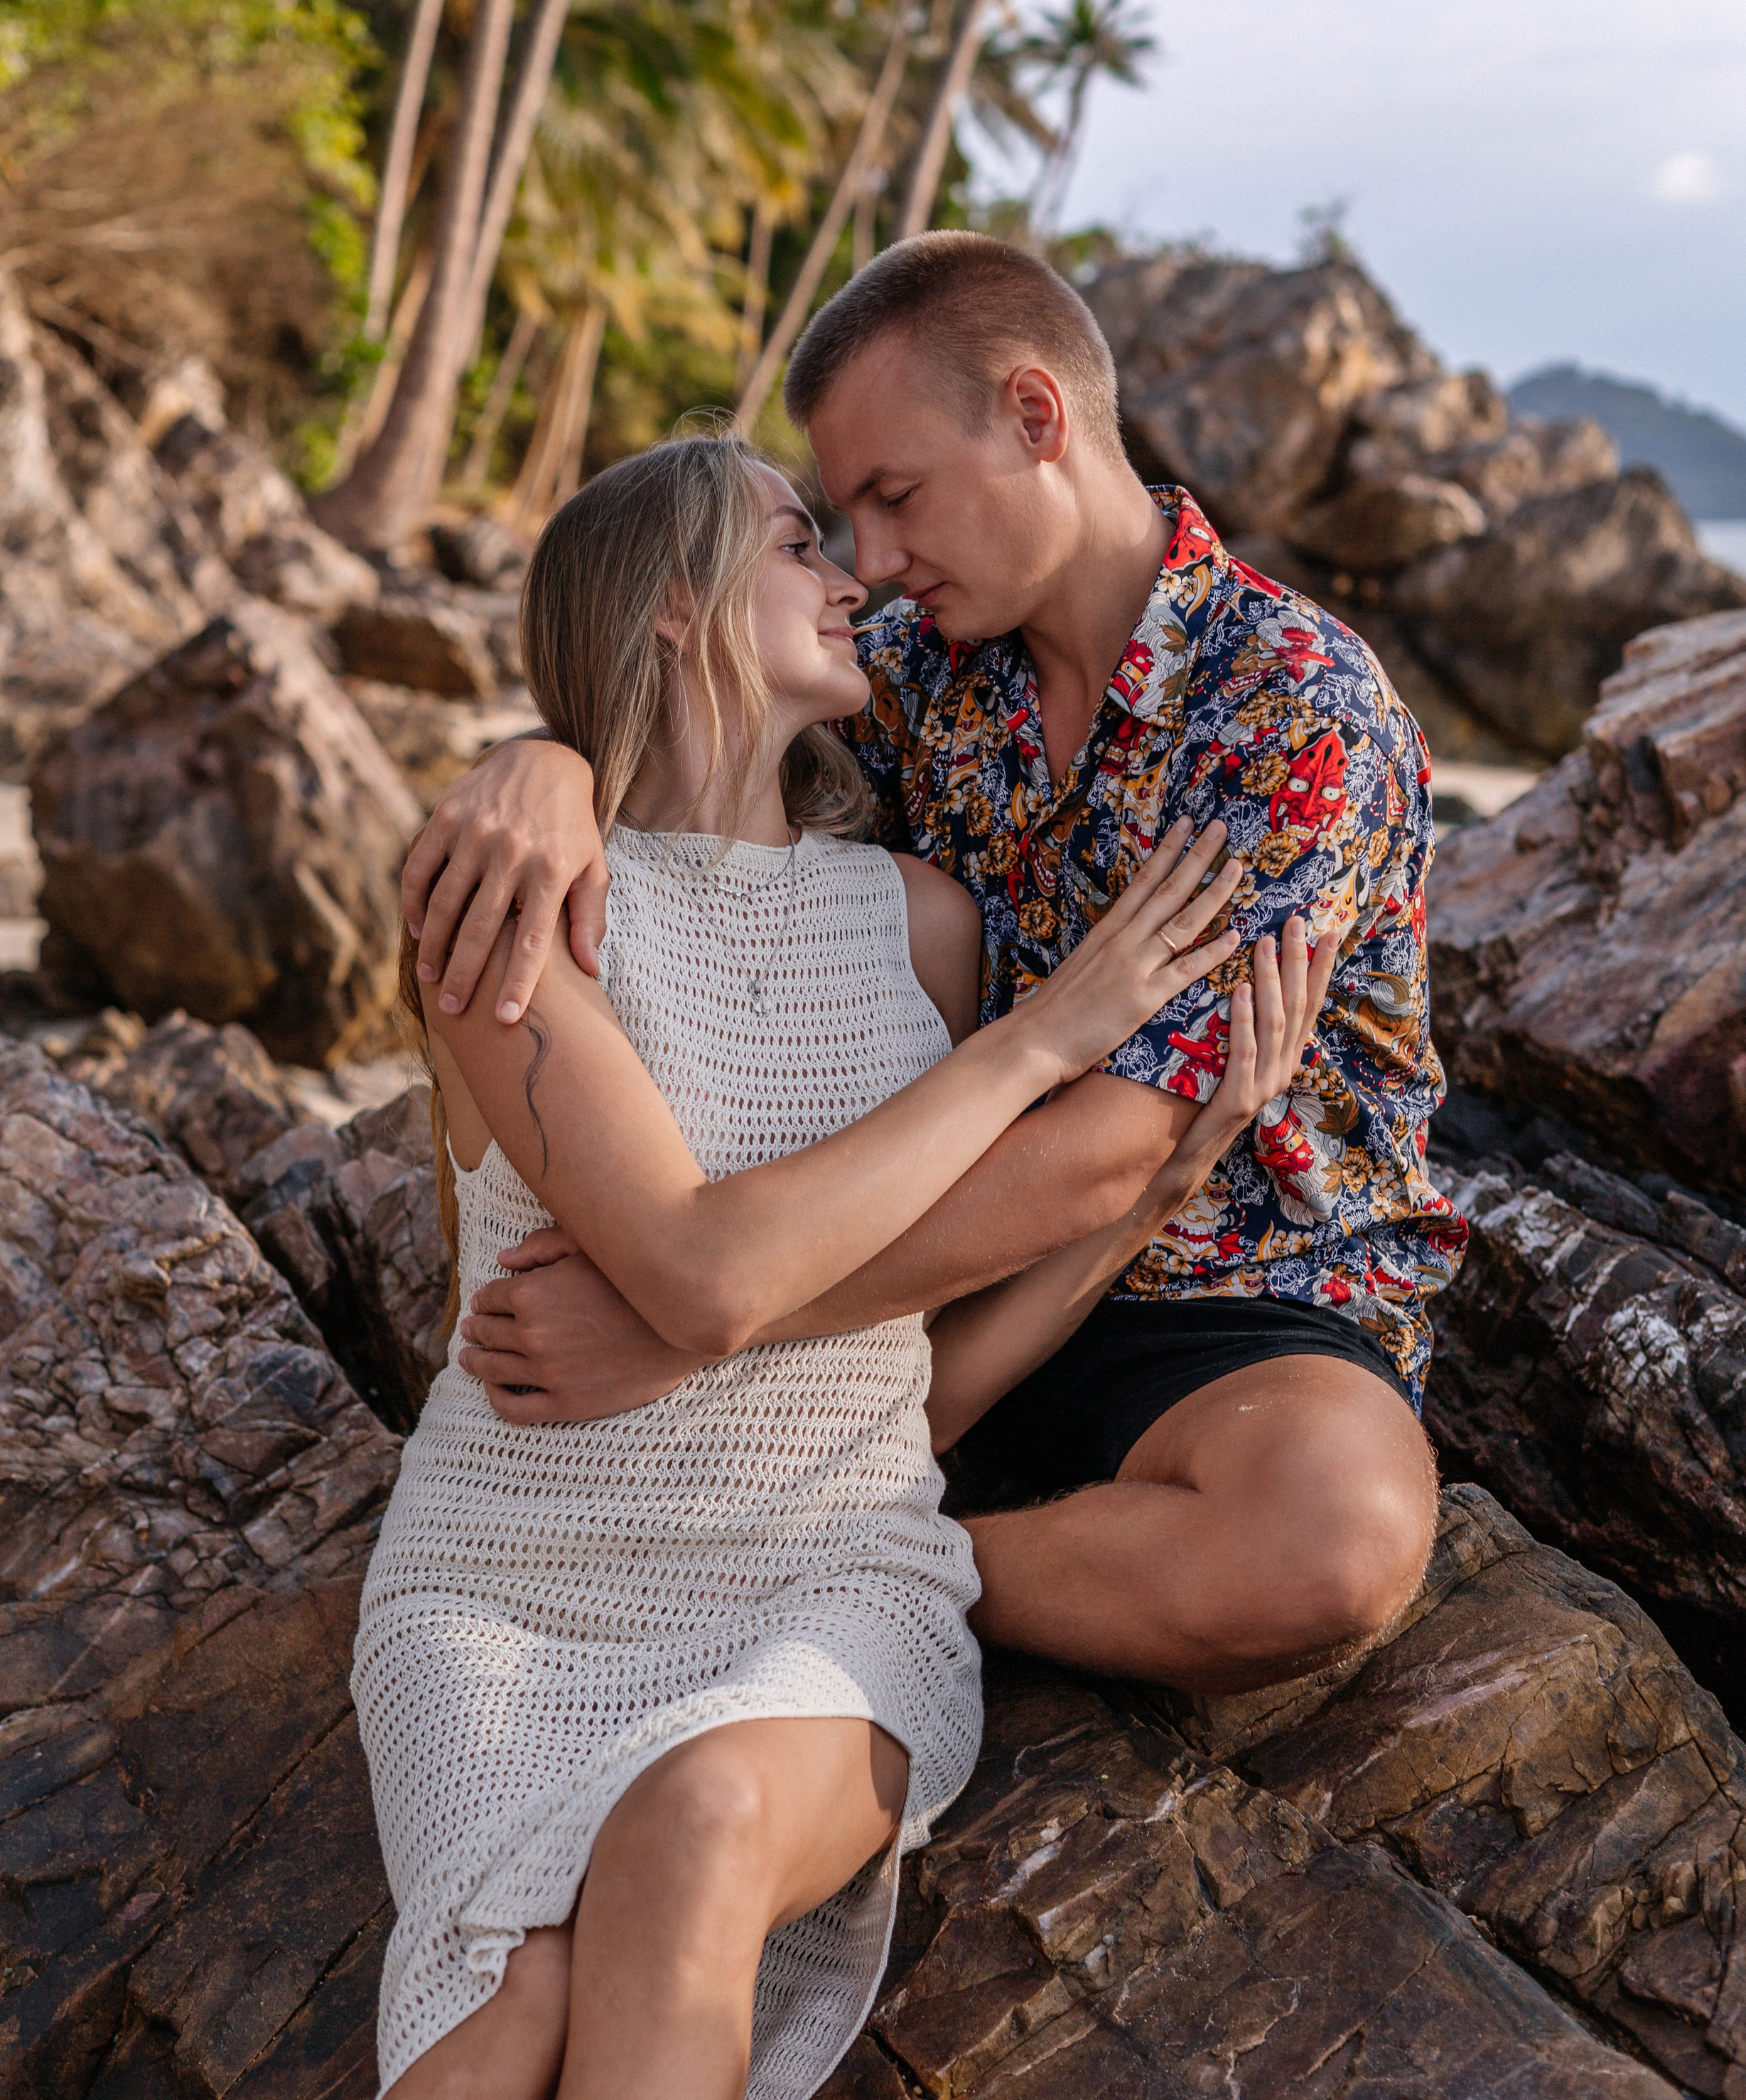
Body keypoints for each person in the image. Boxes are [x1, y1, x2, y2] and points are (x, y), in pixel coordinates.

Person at [279, 433, 1333, 2100]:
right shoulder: (517, 919)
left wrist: (1167, 1171)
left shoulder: (921, 930)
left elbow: (899, 1394)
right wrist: (1035, 1049)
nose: (851, 570)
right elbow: (694, 1270)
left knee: (685, 1845)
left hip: (828, 1579)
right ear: (679, 607)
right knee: (505, 2014)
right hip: (504, 1590)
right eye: (796, 541)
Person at [406, 233, 1463, 1699]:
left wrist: (697, 1328)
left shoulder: (1290, 712)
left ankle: (853, 1567)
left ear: (1034, 418)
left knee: (1329, 1550)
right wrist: (533, 766)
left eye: (894, 498)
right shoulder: (914, 668)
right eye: (840, 521)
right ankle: (833, 1539)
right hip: (905, 1270)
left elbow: (1115, 1153)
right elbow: (686, 727)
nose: (873, 560)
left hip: (1223, 1296)